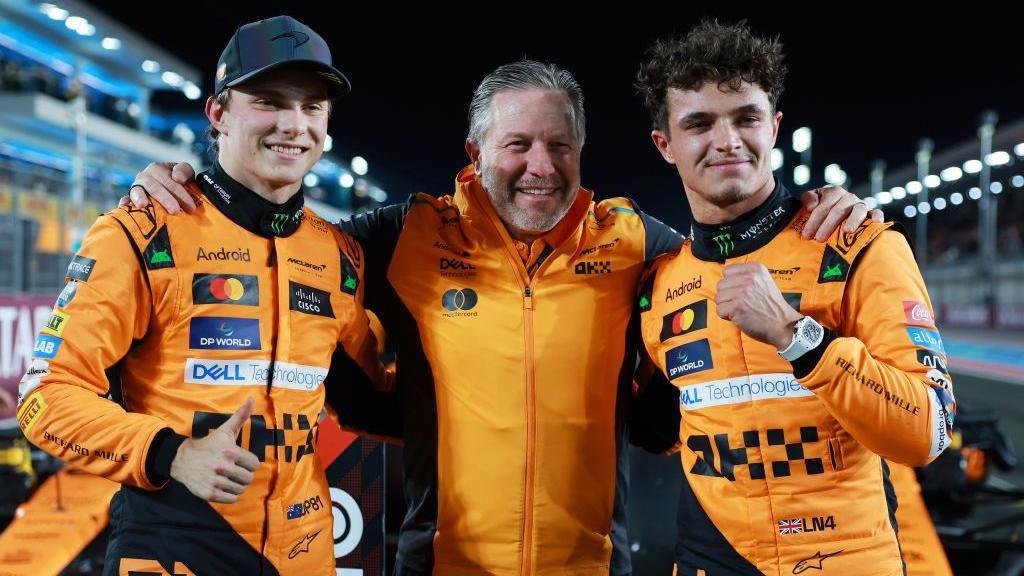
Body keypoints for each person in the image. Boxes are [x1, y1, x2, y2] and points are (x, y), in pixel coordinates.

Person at [128, 59, 876, 575]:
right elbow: (277, 239)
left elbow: (723, 254)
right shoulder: (403, 236)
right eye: (516, 144)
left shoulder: (636, 243)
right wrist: (196, 190)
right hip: (439, 565)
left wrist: (809, 210)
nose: (540, 166)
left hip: (593, 566)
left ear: (583, 150)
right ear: (475, 150)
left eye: (559, 144)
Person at [17, 16, 389, 576]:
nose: (294, 124)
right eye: (268, 101)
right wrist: (173, 453)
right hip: (173, 546)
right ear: (218, 113)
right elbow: (45, 396)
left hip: (308, 552)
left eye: (311, 107)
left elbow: (373, 397)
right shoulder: (142, 230)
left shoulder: (339, 254)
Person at [633, 20, 956, 575]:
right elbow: (663, 427)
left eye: (746, 118)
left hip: (850, 559)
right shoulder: (656, 286)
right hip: (710, 560)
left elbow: (929, 431)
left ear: (775, 126)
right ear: (665, 144)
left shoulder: (859, 244)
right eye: (699, 123)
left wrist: (796, 336)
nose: (728, 140)